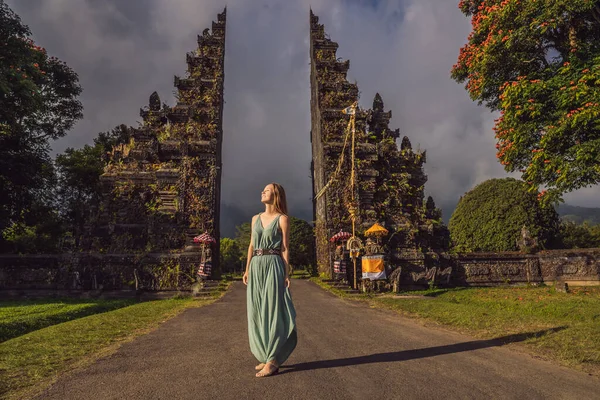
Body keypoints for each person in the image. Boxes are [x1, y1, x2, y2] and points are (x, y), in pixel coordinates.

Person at [243, 183, 297, 378]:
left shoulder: (282, 219)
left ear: (276, 195)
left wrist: (286, 273)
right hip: (256, 266)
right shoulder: (255, 218)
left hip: (274, 264)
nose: (262, 191)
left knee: (272, 309)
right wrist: (247, 268)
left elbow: (284, 248)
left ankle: (273, 359)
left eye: (266, 190)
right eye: (262, 189)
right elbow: (251, 245)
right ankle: (265, 354)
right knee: (257, 309)